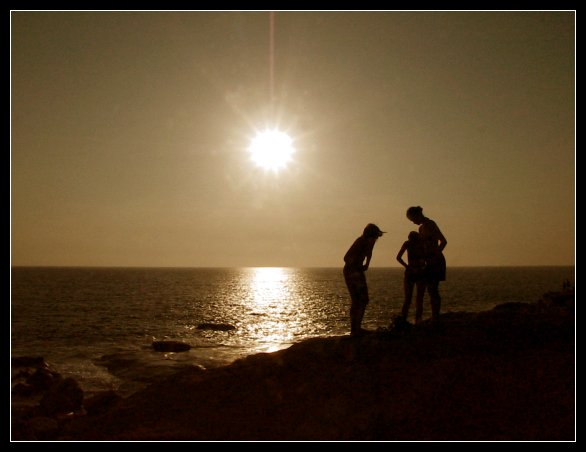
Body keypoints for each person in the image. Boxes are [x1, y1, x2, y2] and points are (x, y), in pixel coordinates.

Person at [406, 206, 447, 322]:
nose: (413, 222)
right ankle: (433, 316)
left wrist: (435, 255)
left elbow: (443, 241)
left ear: (417, 215)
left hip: (436, 261)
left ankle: (436, 316)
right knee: (430, 289)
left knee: (433, 289)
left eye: (413, 219)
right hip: (427, 261)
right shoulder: (420, 229)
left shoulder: (431, 224)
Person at [343, 223, 385, 336]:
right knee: (359, 299)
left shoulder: (370, 242)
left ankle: (356, 328)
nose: (375, 240)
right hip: (352, 271)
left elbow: (369, 253)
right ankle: (355, 328)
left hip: (357, 271)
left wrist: (367, 264)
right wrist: (357, 264)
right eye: (374, 236)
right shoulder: (360, 242)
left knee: (362, 300)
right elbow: (346, 258)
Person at [396, 231, 427, 325]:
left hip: (413, 271)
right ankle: (417, 319)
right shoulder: (420, 244)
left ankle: (406, 318)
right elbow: (398, 257)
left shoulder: (408, 244)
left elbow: (398, 257)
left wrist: (407, 266)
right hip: (418, 272)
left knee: (409, 298)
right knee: (418, 298)